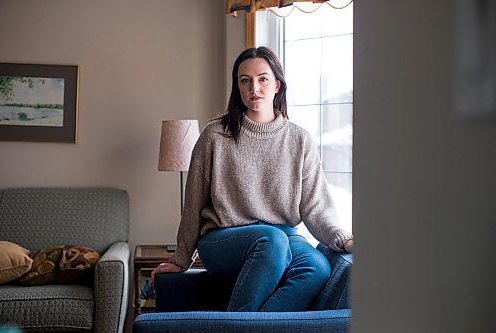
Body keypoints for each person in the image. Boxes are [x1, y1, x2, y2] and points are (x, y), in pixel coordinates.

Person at [151, 46, 354, 312]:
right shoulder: (215, 136)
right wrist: (180, 258)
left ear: (277, 85)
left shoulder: (299, 140)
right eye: (245, 80)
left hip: (282, 236)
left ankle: (249, 325)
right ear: (237, 86)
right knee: (271, 240)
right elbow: (193, 203)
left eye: (262, 79)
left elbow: (315, 207)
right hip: (223, 240)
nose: (253, 88)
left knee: (316, 268)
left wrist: (344, 239)